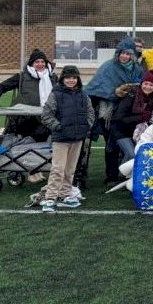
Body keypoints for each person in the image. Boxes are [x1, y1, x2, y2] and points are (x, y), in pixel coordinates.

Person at [38, 66, 94, 212]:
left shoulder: (83, 94)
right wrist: (59, 127)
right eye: (68, 77)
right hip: (61, 139)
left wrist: (85, 126)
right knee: (58, 169)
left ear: (78, 79)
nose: (71, 80)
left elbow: (90, 112)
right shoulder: (56, 94)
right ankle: (50, 198)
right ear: (63, 79)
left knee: (70, 169)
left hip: (77, 138)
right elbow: (46, 115)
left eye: (74, 77)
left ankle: (64, 195)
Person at [0, 48, 57, 138]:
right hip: (25, 118)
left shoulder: (53, 77)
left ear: (46, 63)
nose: (40, 64)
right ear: (31, 63)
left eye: (42, 62)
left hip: (47, 117)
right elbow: (2, 86)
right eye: (37, 62)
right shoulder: (22, 77)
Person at [85, 36, 142, 141]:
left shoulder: (137, 69)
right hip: (108, 109)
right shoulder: (108, 66)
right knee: (111, 140)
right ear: (118, 54)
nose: (124, 56)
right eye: (122, 53)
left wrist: (131, 88)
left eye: (128, 54)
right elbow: (96, 87)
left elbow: (140, 85)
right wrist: (115, 92)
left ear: (132, 55)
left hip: (127, 109)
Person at [107, 74, 153, 185]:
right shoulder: (131, 96)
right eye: (145, 84)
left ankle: (126, 176)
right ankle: (121, 174)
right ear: (141, 84)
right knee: (131, 153)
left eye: (151, 85)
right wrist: (141, 117)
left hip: (135, 131)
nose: (148, 87)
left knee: (138, 152)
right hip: (120, 129)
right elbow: (119, 117)